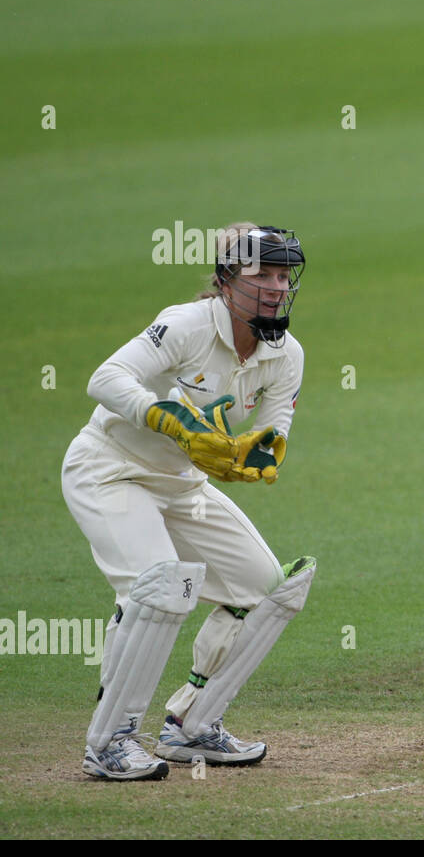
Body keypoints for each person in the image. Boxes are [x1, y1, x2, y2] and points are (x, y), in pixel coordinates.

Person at [63, 222, 316, 780]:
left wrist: (253, 456)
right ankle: (110, 741)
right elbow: (107, 378)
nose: (275, 287)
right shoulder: (186, 324)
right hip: (111, 471)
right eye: (262, 274)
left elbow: (272, 438)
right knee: (166, 584)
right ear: (227, 280)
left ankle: (190, 725)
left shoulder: (286, 353)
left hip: (182, 488)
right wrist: (170, 418)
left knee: (271, 588)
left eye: (283, 275)